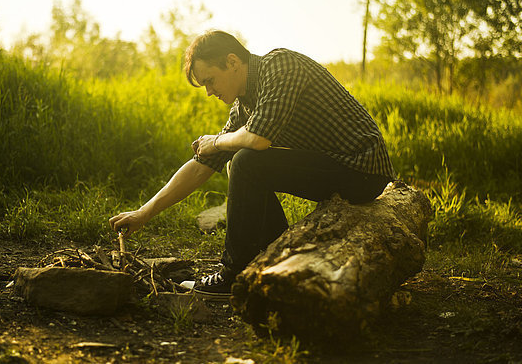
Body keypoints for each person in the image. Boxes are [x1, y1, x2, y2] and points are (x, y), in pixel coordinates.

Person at [109, 30, 395, 300]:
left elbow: (257, 140)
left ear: (232, 61)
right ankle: (281, 253)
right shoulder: (244, 106)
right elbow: (201, 165)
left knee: (246, 160)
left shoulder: (281, 66)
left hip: (362, 167)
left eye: (210, 80)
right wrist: (145, 213)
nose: (208, 91)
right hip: (338, 167)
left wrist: (217, 141)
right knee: (241, 162)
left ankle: (232, 275)